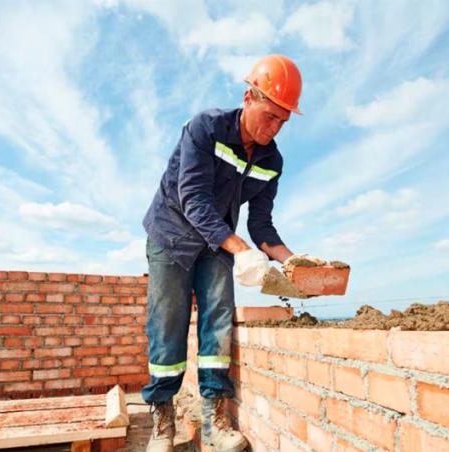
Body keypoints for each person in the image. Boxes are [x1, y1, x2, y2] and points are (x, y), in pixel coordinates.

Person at [140, 54, 304, 452]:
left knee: (218, 322)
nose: (274, 128)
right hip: (172, 236)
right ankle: (163, 422)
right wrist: (240, 249)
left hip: (217, 242)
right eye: (269, 116)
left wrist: (295, 262)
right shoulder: (205, 128)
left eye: (283, 121)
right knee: (168, 324)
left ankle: (215, 421)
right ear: (249, 97)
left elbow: (262, 224)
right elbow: (193, 198)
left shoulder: (271, 160)